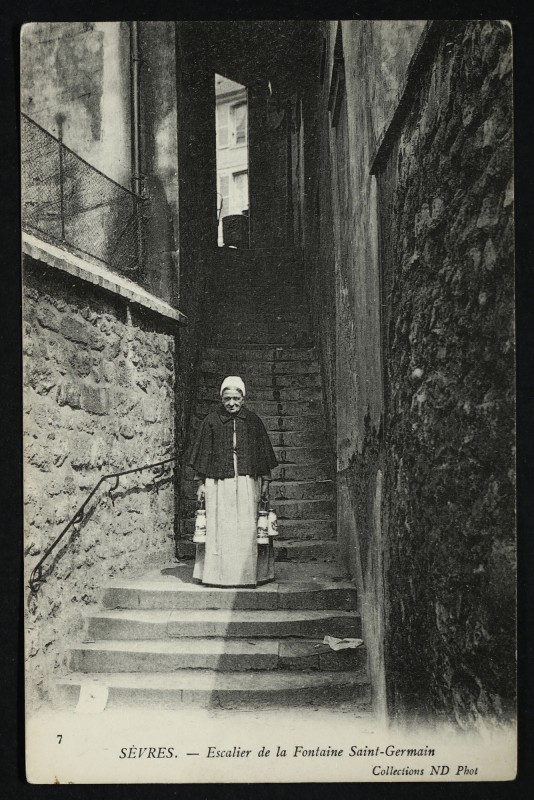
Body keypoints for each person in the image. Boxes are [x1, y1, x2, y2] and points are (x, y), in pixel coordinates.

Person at [188, 376, 278, 587]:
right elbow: (202, 455)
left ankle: (250, 575)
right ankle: (217, 576)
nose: (231, 403)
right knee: (220, 528)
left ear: (243, 399)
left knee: (247, 528)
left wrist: (265, 482)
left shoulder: (253, 421)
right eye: (227, 399)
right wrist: (200, 484)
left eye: (236, 399)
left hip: (248, 481)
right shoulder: (211, 421)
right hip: (218, 483)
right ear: (221, 399)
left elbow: (263, 455)